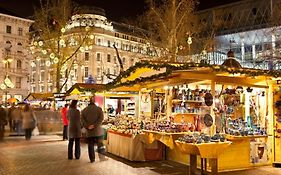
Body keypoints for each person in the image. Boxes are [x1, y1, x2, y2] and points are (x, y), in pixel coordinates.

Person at [81, 95, 106, 163]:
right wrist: (95, 125)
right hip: (98, 130)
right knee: (100, 144)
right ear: (94, 102)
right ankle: (102, 158)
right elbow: (101, 119)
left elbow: (82, 120)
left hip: (89, 131)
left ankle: (92, 159)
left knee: (90, 145)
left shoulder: (84, 110)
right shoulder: (99, 109)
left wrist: (88, 126)